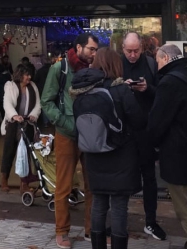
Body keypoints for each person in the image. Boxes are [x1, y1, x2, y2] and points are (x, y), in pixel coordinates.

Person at [72, 48, 147, 249]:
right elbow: (138, 120)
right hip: (121, 155)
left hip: (94, 155)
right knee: (119, 206)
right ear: (116, 65)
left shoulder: (83, 90)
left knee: (99, 203)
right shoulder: (121, 90)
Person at [147, 44, 187, 249]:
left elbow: (157, 122)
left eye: (157, 61)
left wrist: (152, 144)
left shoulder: (169, 82)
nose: (157, 65)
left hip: (178, 159)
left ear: (165, 58)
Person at [42, 32, 99, 248]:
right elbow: (46, 102)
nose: (94, 53)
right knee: (64, 186)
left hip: (90, 134)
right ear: (79, 47)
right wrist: (65, 124)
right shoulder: (60, 68)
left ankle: (91, 230)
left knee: (92, 185)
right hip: (67, 134)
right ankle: (61, 231)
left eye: (95, 50)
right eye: (91, 49)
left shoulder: (94, 69)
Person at [120, 32, 167, 241]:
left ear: (141, 48)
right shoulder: (116, 64)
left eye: (136, 50)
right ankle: (120, 223)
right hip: (123, 131)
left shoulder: (150, 64)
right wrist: (122, 88)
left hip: (145, 131)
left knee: (149, 178)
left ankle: (151, 221)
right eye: (128, 51)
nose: (132, 55)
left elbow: (162, 95)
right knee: (121, 179)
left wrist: (147, 88)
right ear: (122, 49)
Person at [0, 63, 42, 193]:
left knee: (26, 154)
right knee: (9, 152)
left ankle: (24, 184)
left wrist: (33, 115)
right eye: (26, 75)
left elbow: (38, 104)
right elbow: (7, 104)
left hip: (27, 123)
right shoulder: (11, 86)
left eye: (30, 74)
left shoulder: (33, 86)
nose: (29, 77)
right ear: (20, 75)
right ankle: (4, 180)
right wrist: (14, 116)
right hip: (13, 124)